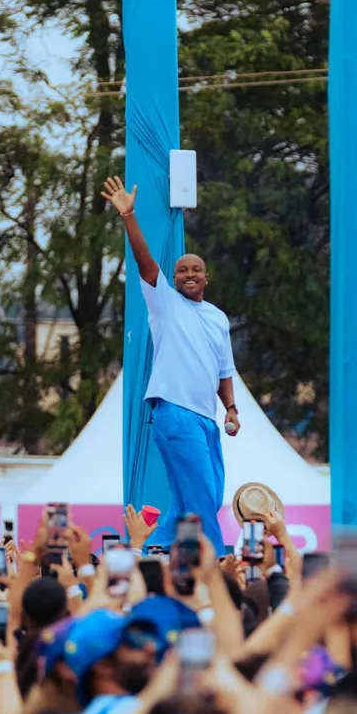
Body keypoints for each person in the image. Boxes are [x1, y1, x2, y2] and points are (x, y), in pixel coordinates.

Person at [103, 176, 240, 552]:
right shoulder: (164, 303)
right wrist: (129, 216)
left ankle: (143, 552)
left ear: (206, 277)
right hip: (174, 414)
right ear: (174, 278)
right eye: (182, 270)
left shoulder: (217, 317)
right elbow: (145, 263)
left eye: (196, 270)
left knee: (199, 502)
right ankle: (218, 566)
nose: (189, 274)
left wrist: (231, 408)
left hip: (206, 419)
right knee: (201, 501)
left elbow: (224, 371)